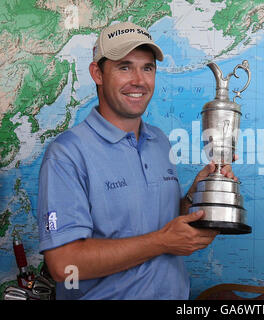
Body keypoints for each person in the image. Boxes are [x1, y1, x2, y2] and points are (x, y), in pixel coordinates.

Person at [37, 21, 237, 299]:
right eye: (124, 67)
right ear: (97, 73)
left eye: (147, 68)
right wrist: (162, 242)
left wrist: (194, 195)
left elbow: (160, 222)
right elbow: (63, 265)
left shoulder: (159, 142)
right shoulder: (67, 155)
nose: (139, 80)